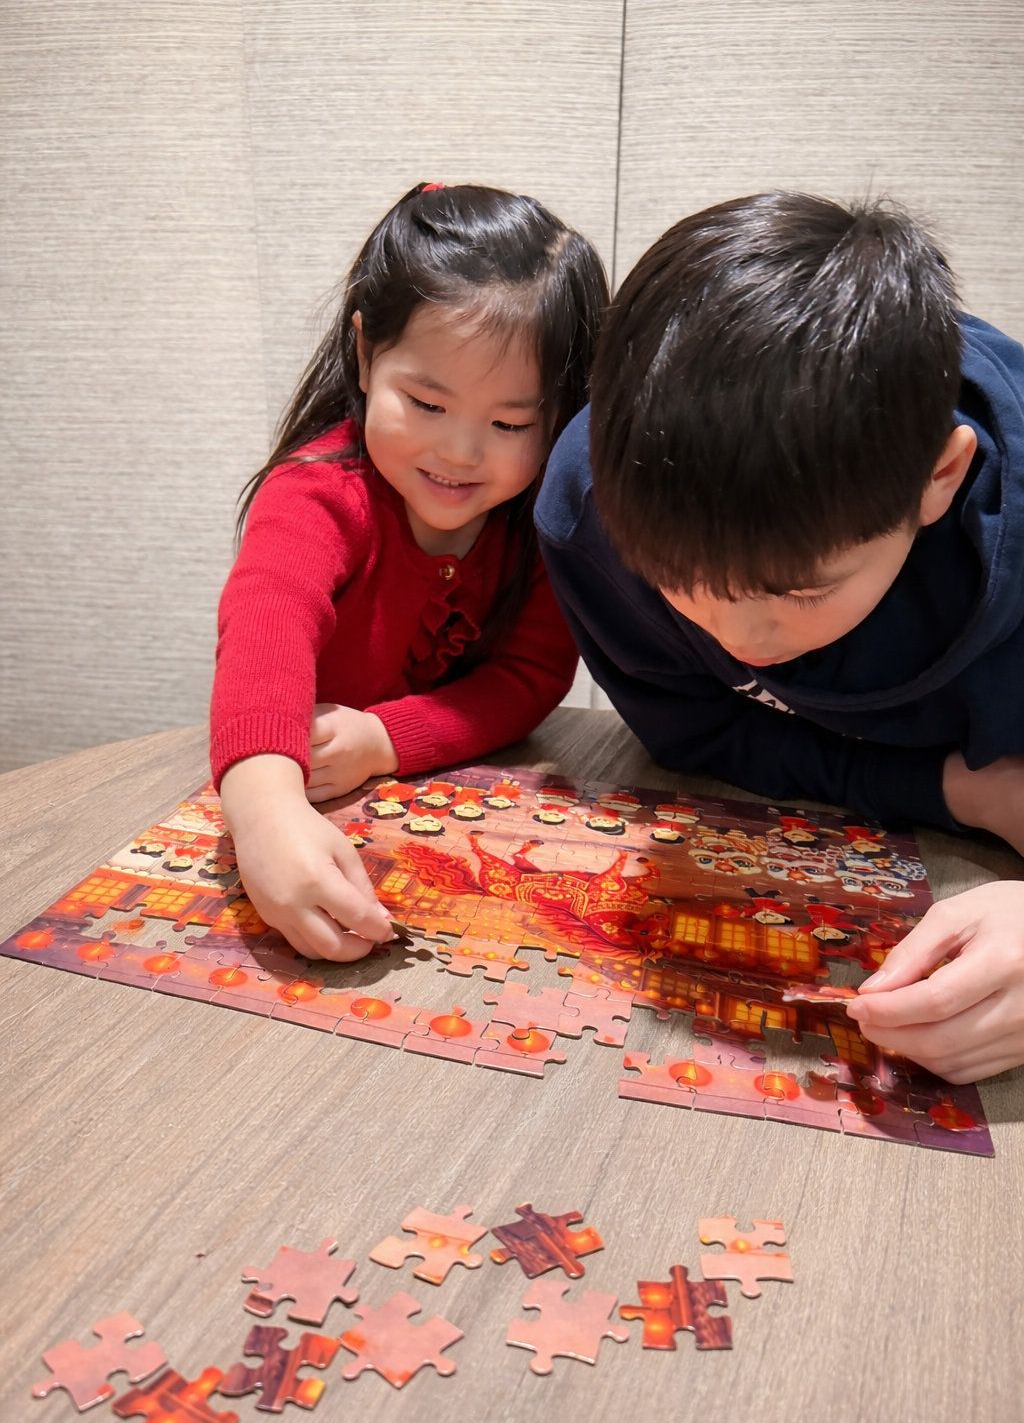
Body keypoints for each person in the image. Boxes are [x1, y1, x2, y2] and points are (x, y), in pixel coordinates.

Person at [535, 191, 1024, 1081]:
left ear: (940, 479)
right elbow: (698, 731)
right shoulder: (590, 508)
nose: (736, 637)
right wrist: (958, 791)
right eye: (678, 583)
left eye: (797, 592)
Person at [211, 182, 608, 962]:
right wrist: (262, 810)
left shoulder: (545, 519)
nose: (460, 453)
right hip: (305, 802)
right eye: (425, 404)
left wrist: (386, 738)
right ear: (364, 355)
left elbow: (531, 676)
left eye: (509, 423)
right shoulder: (317, 494)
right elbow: (267, 621)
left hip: (449, 825)